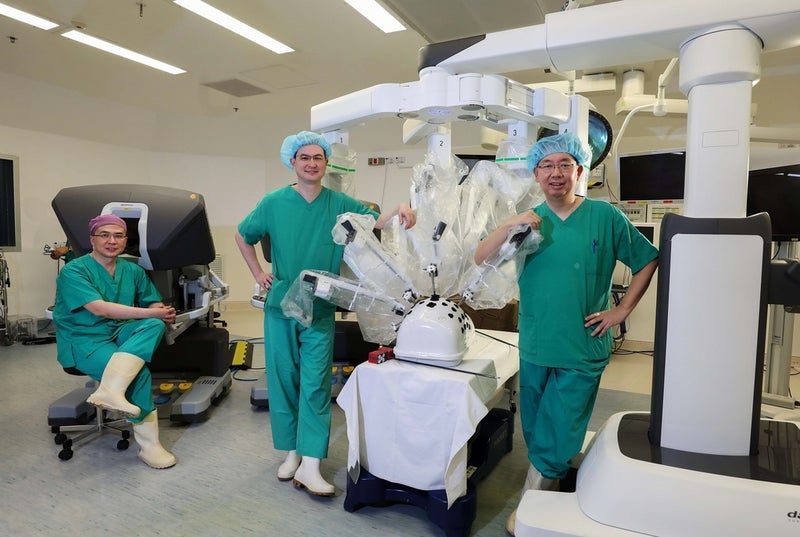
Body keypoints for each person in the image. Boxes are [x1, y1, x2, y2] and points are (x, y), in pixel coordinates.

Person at [474, 132, 658, 535]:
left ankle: (533, 502)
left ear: (579, 170)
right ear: (535, 174)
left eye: (564, 165)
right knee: (536, 425)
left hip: (582, 345)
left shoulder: (605, 218)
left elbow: (647, 259)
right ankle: (551, 477)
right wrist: (507, 224)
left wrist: (622, 310)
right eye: (546, 166)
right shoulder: (528, 224)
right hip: (537, 342)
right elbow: (480, 258)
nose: (555, 173)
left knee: (562, 425)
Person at [235, 130, 416, 497]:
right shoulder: (273, 203)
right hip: (282, 306)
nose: (312, 163)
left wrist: (400, 207)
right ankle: (291, 452)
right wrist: (257, 273)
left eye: (318, 158)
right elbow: (243, 235)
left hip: (319, 306)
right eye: (305, 158)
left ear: (326, 163)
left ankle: (312, 463)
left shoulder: (339, 203)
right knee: (284, 380)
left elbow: (375, 223)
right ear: (292, 162)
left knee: (316, 384)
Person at [52, 214, 178, 469]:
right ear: (92, 239)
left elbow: (151, 302)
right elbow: (100, 309)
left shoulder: (132, 270)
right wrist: (151, 313)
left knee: (154, 324)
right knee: (139, 374)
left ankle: (111, 389)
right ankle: (150, 446)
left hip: (119, 331)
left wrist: (160, 311)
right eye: (104, 235)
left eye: (118, 235)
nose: (112, 241)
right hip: (85, 340)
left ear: (125, 240)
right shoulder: (74, 271)